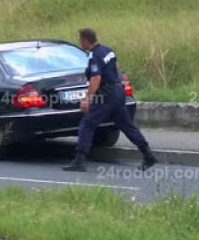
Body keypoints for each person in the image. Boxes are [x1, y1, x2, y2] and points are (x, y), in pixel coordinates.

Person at [63, 28, 157, 172]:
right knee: (126, 125)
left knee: (87, 125)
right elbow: (116, 67)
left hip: (106, 96)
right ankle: (148, 155)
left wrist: (87, 99)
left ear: (86, 40)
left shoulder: (94, 56)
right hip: (118, 92)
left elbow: (96, 78)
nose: (79, 42)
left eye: (80, 40)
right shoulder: (108, 50)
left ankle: (79, 161)